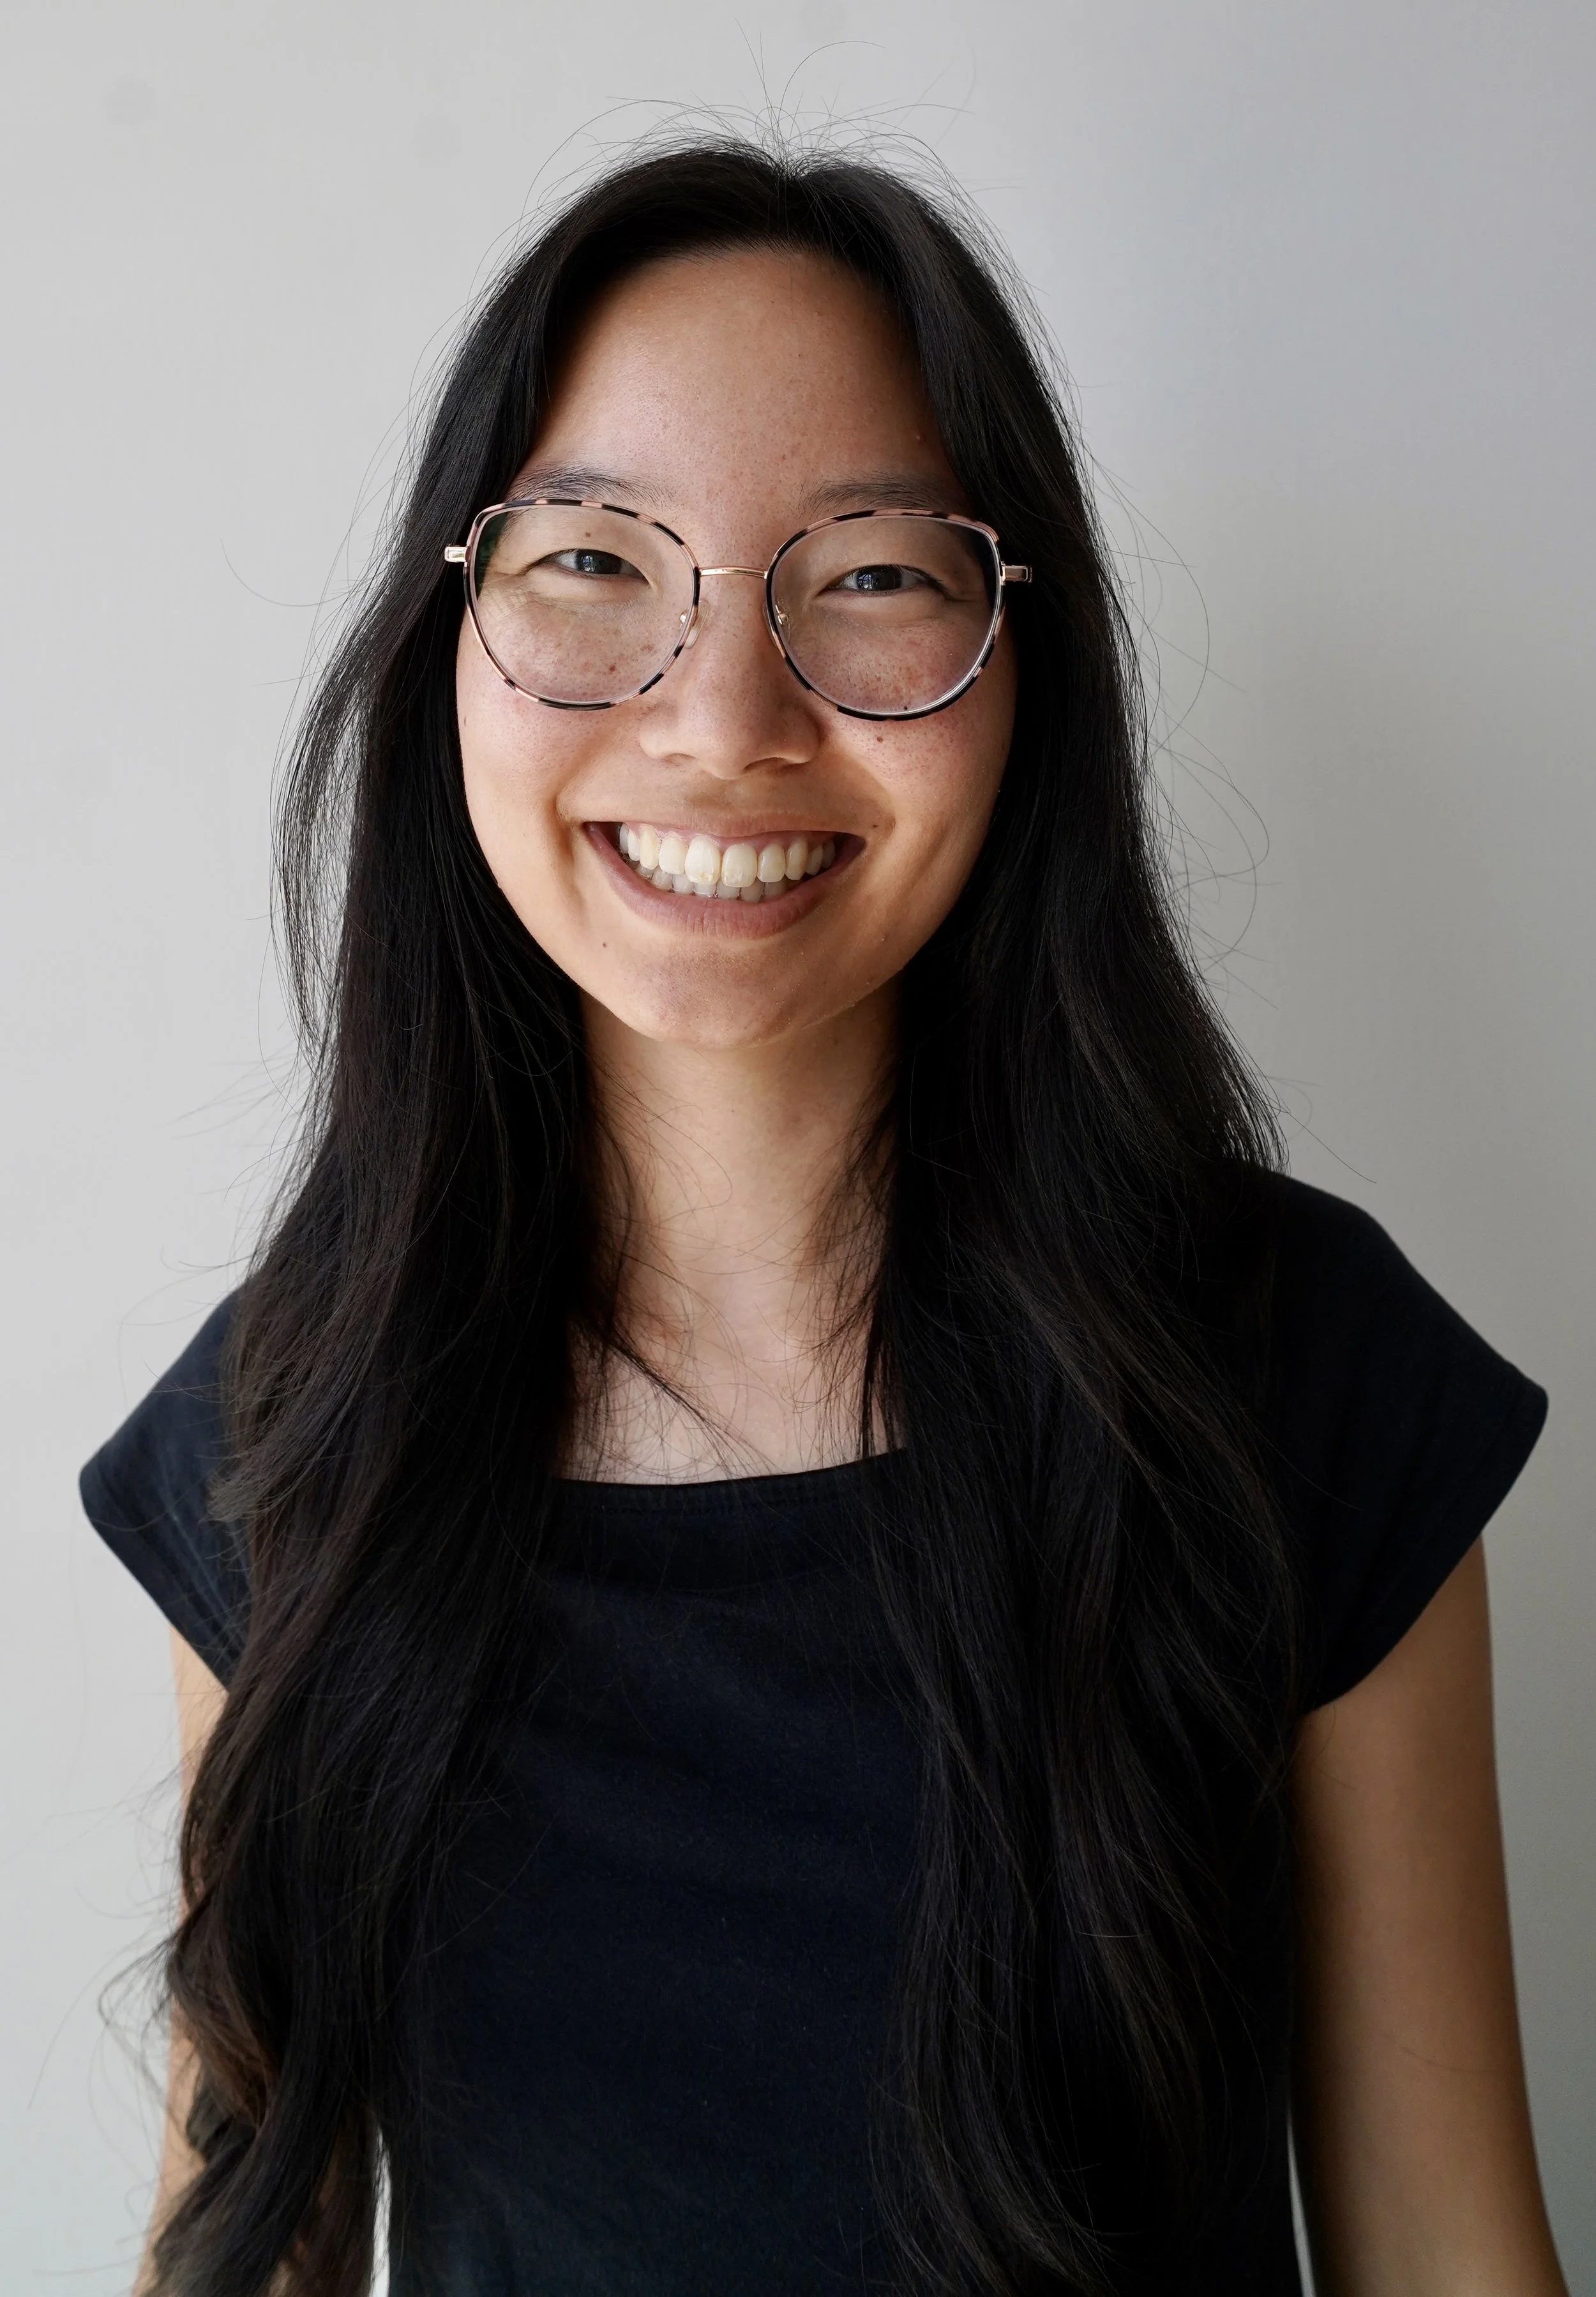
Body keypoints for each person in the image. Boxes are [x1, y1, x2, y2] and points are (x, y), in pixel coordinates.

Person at [80, 140, 1567, 2297]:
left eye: (868, 575)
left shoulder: (1303, 1373)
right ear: (455, 629)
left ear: (1015, 654)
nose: (720, 723)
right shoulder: (293, 1419)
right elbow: (245, 2250)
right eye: (597, 558)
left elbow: (1445, 2249)